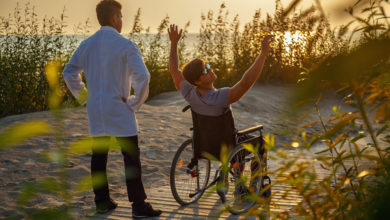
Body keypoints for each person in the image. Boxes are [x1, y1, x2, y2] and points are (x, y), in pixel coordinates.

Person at [63, 0, 161, 218]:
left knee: (99, 156)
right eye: (121, 17)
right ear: (115, 18)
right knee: (131, 157)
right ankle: (138, 206)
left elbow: (69, 72)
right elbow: (143, 77)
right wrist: (134, 102)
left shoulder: (86, 44)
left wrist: (85, 96)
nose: (122, 21)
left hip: (96, 110)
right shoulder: (125, 45)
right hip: (119, 107)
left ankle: (102, 201)